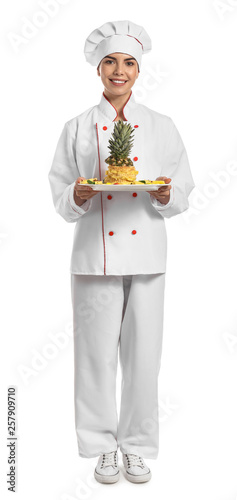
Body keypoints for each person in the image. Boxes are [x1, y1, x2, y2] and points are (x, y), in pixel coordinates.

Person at [48, 20, 195, 485]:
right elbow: (59, 193)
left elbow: (183, 189)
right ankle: (100, 446)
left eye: (128, 62)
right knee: (93, 356)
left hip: (148, 254)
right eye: (110, 61)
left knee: (144, 356)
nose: (119, 70)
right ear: (98, 68)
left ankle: (136, 446)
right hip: (95, 254)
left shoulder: (160, 126)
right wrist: (78, 195)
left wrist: (165, 194)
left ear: (138, 70)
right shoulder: (76, 126)